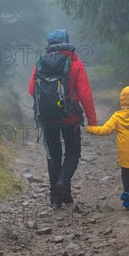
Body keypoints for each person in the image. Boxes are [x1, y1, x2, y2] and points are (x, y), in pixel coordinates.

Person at [28, 29, 97, 209]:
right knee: (73, 152)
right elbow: (85, 95)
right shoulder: (75, 62)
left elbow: (30, 90)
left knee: (53, 156)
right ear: (66, 41)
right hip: (70, 117)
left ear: (49, 44)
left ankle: (55, 199)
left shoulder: (41, 63)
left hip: (47, 118)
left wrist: (46, 106)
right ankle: (64, 182)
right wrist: (93, 121)